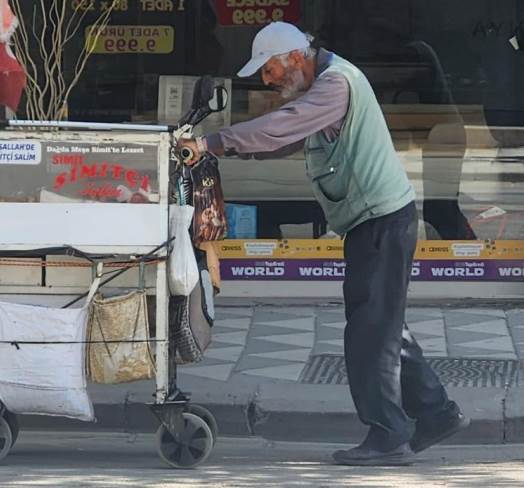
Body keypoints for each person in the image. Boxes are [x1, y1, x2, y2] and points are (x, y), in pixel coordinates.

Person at [177, 21, 470, 466]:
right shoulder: (322, 85)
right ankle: (436, 412)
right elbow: (283, 138)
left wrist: (212, 143)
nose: (268, 79)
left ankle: (388, 433)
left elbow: (283, 126)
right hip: (375, 223)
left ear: (296, 57)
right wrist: (230, 147)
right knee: (382, 325)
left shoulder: (335, 85)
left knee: (370, 333)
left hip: (382, 222)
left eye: (271, 69)